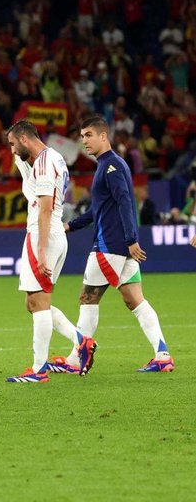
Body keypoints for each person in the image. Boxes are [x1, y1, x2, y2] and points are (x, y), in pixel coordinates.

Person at [63, 116, 174, 373]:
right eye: (82, 137)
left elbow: (125, 201)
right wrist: (71, 226)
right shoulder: (108, 165)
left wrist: (131, 239)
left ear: (104, 136)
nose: (84, 141)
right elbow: (98, 210)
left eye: (89, 135)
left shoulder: (111, 165)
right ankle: (163, 354)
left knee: (88, 298)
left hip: (108, 246)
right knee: (135, 300)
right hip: (119, 247)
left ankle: (75, 359)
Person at [3, 120, 92, 383]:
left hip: (43, 235)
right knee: (33, 303)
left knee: (39, 304)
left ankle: (39, 369)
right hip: (52, 234)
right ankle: (81, 341)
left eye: (12, 145)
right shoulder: (54, 158)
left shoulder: (42, 165)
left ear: (25, 140)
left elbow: (43, 208)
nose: (11, 151)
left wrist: (41, 251)